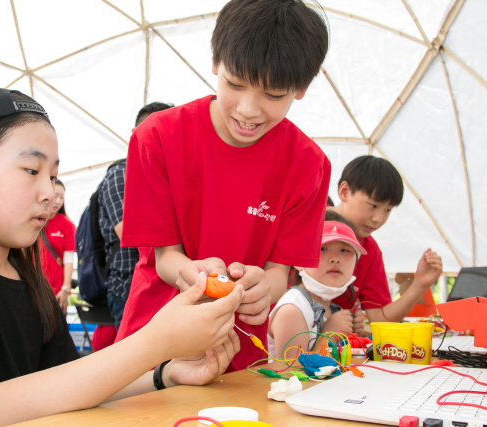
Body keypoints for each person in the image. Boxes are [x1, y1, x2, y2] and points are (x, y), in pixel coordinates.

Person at [0, 87, 243, 426]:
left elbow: (67, 382)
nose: (50, 193)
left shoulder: (29, 283)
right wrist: (155, 341)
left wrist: (167, 372)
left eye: (52, 176)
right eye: (30, 170)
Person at [116, 0, 331, 372]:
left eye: (273, 94)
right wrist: (194, 275)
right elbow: (166, 259)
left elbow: (279, 272)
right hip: (151, 350)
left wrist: (265, 287)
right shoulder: (157, 138)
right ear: (216, 63)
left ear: (301, 88)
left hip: (238, 358)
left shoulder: (308, 165)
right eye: (235, 84)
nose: (248, 109)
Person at [330, 155, 443, 323]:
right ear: (344, 192)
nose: (378, 218)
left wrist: (420, 284)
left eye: (388, 210)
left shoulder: (370, 250)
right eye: (373, 206)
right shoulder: (305, 224)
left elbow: (379, 319)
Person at [99, 101, 173, 328]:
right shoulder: (121, 174)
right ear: (136, 133)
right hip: (128, 285)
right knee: (136, 358)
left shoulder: (168, 175)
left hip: (162, 285)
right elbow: (127, 231)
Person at [268, 211, 366, 358]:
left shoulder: (329, 308)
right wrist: (329, 334)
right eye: (323, 248)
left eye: (345, 250)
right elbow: (290, 373)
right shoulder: (292, 310)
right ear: (299, 261)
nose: (335, 259)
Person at [40, 178, 75, 314]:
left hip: (57, 290)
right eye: (55, 196)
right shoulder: (33, 221)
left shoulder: (66, 224)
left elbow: (69, 259)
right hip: (33, 289)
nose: (58, 201)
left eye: (62, 197)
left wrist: (65, 289)